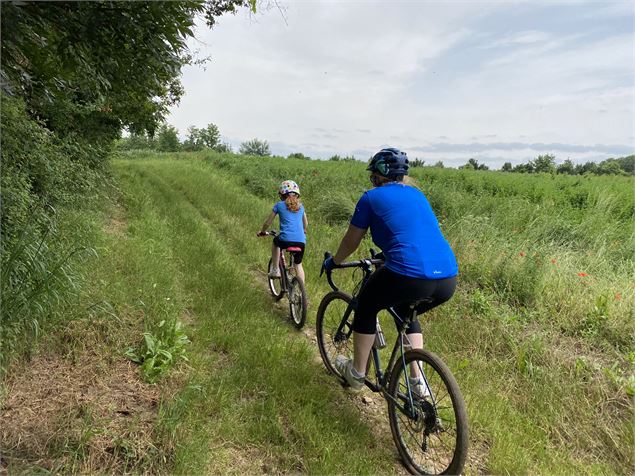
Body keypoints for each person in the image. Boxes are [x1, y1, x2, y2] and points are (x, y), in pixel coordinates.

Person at [323, 148, 458, 392]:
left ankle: (356, 374)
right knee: (407, 312)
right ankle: (418, 383)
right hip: (447, 278)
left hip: (408, 274)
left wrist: (334, 261)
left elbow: (351, 241)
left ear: (377, 176)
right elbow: (412, 234)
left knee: (365, 305)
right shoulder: (418, 195)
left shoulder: (371, 198)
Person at [258, 180, 308, 283]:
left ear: (281, 194)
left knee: (276, 243)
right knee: (298, 265)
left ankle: (276, 269)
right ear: (297, 195)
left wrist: (263, 231)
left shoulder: (279, 205)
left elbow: (268, 222)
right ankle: (301, 291)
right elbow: (305, 223)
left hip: (285, 239)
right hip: (301, 241)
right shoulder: (301, 207)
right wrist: (303, 230)